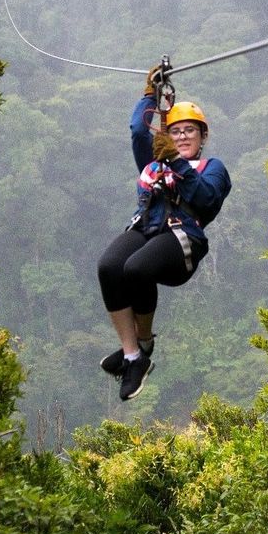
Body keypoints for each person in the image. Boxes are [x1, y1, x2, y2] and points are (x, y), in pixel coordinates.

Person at [96, 66, 232, 401]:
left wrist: (177, 164)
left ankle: (144, 343)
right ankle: (132, 357)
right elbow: (137, 131)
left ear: (202, 138)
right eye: (176, 132)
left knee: (136, 269)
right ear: (166, 136)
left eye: (191, 132)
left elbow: (205, 198)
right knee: (110, 266)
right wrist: (149, 95)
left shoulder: (212, 169)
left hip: (183, 238)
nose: (183, 136)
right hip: (147, 226)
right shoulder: (154, 162)